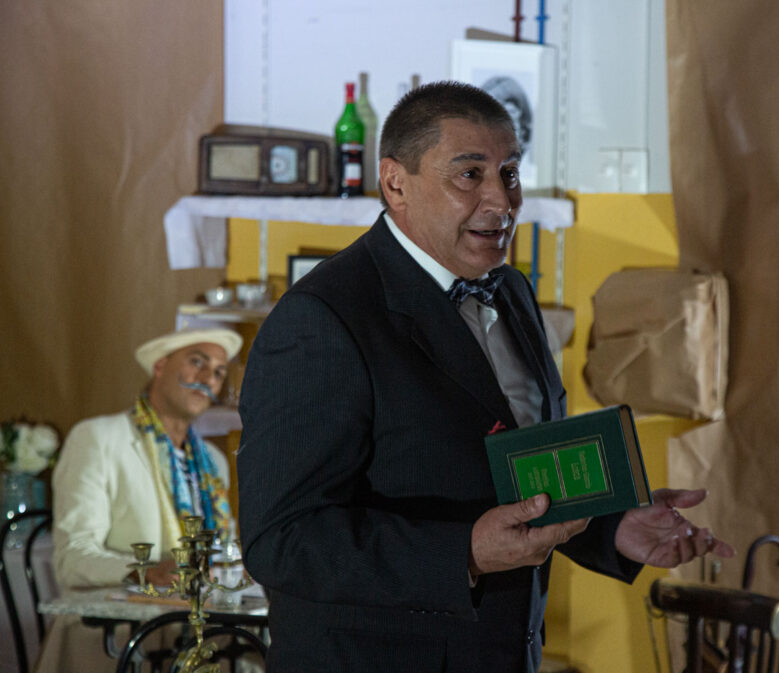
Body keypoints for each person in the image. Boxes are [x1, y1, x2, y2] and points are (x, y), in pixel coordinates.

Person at [237, 81, 733, 673]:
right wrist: (465, 553)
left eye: (510, 173)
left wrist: (610, 525)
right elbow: (282, 541)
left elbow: (517, 473)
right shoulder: (322, 320)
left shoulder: (515, 291)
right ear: (395, 183)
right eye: (469, 175)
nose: (502, 200)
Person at [36, 327, 241, 673]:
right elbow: (72, 559)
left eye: (219, 372)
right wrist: (147, 572)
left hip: (196, 638)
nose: (208, 378)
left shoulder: (213, 463)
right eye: (197, 362)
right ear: (159, 366)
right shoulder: (98, 438)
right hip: (113, 641)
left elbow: (226, 554)